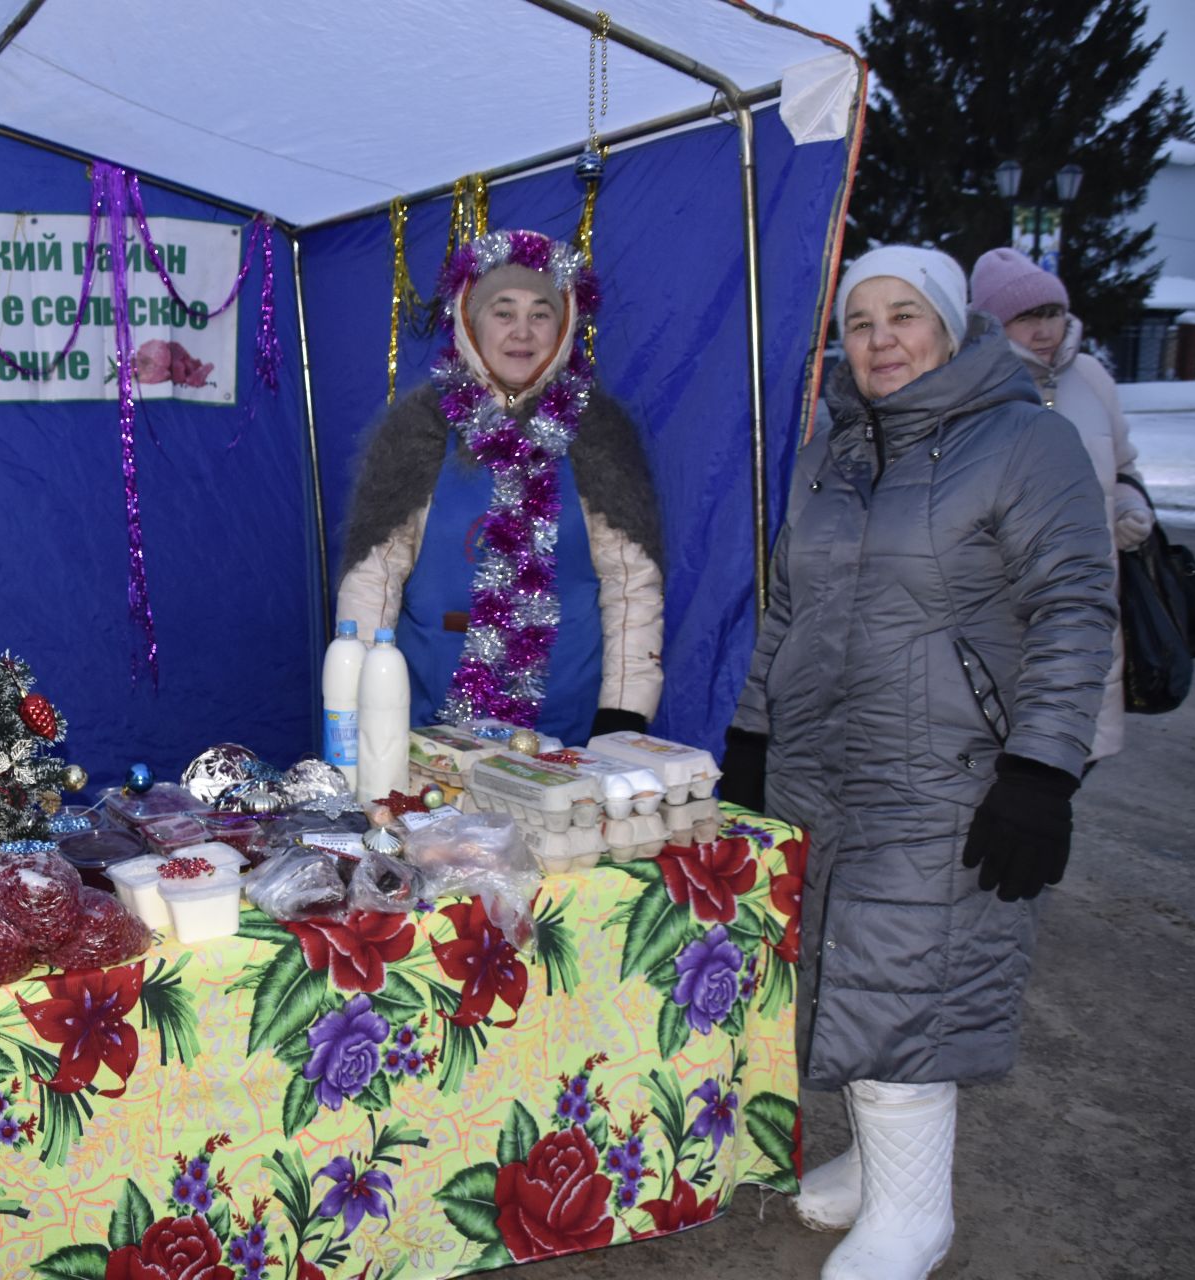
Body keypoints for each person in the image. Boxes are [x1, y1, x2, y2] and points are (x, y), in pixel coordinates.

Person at [719, 246, 1116, 1279]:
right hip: (821, 761)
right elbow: (789, 608)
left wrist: (1041, 769)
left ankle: (915, 1213)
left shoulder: (1030, 441)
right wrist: (752, 737)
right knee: (842, 963)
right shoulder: (833, 452)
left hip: (950, 767)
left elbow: (1074, 609)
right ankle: (877, 1167)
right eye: (861, 321)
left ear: (950, 326)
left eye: (905, 315)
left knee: (908, 969)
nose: (882, 338)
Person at [334, 229, 663, 748]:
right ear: (470, 322)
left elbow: (631, 587)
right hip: (430, 730)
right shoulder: (417, 429)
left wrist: (623, 715)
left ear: (563, 328)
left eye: (540, 313)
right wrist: (358, 704)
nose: (522, 332)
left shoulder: (599, 432)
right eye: (503, 312)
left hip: (570, 736)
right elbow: (373, 581)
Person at [971, 246, 1155, 763]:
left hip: (1093, 593)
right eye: (1026, 317)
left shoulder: (1092, 378)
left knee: (1073, 747)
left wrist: (1128, 509)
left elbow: (1123, 467)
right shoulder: (977, 388)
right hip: (1005, 598)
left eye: (1051, 312)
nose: (1044, 328)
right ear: (992, 323)